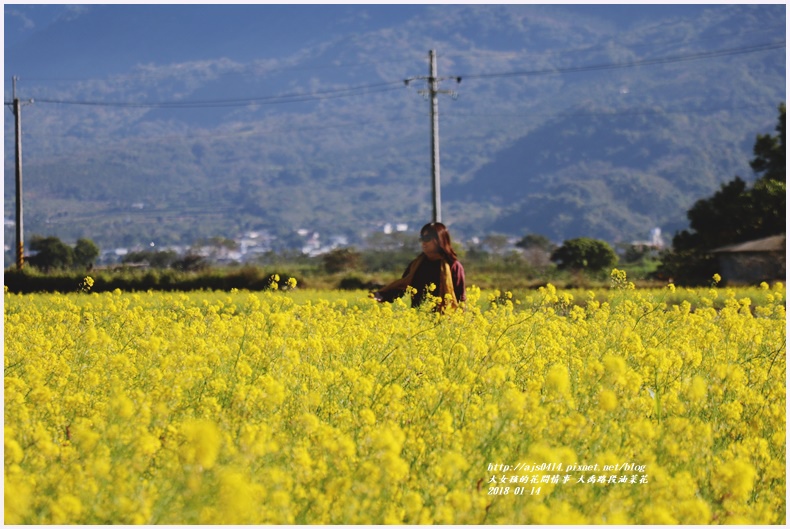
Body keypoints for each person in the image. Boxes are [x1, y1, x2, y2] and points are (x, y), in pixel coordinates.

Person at [373, 222, 466, 311]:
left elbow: (460, 297)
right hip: (420, 319)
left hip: (444, 320)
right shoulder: (417, 264)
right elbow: (402, 287)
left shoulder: (453, 266)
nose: (423, 243)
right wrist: (382, 295)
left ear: (439, 240)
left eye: (427, 238)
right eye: (422, 239)